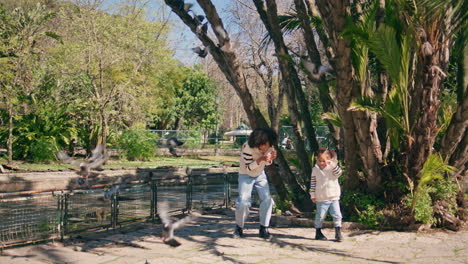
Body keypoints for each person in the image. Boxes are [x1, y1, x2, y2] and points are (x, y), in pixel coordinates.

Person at [233, 128, 278, 240]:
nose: (267, 148)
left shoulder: (270, 146)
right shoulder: (247, 148)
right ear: (259, 142)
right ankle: (239, 227)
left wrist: (270, 159)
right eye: (265, 145)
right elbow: (248, 168)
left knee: (267, 200)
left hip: (260, 174)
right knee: (243, 201)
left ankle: (264, 228)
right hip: (245, 174)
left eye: (269, 145)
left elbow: (267, 164)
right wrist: (261, 159)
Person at [310, 148, 343, 241]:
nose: (321, 163)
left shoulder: (333, 168)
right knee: (320, 216)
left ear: (329, 159)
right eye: (319, 161)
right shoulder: (315, 170)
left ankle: (338, 232)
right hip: (321, 198)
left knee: (337, 214)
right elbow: (313, 183)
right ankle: (318, 232)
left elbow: (339, 173)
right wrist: (312, 195)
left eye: (324, 161)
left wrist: (332, 164)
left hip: (334, 196)